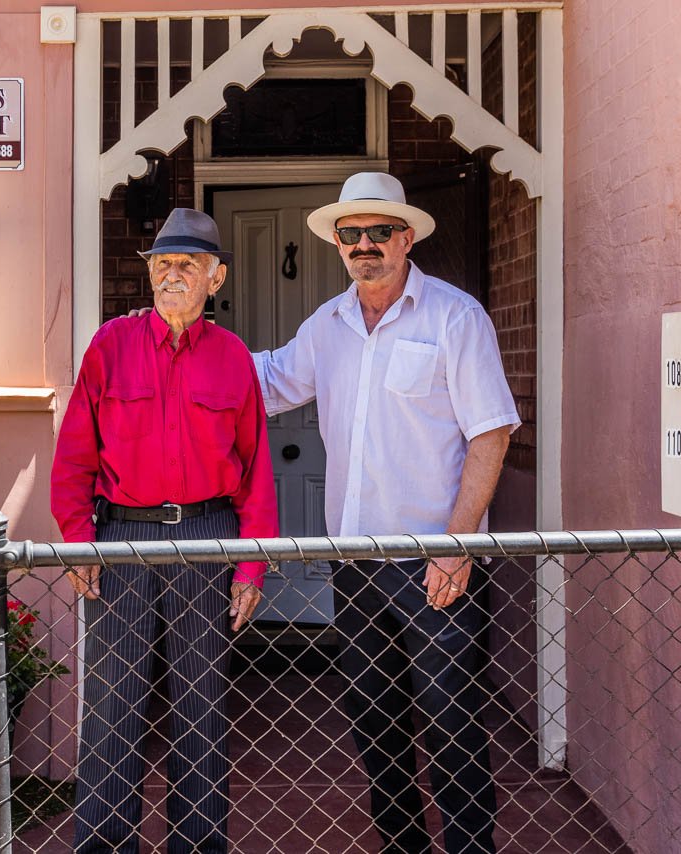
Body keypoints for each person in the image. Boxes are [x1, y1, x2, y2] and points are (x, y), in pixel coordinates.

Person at [254, 172, 519, 854]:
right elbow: (269, 379)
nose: (365, 245)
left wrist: (456, 546)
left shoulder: (454, 318)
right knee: (376, 724)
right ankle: (404, 846)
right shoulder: (329, 325)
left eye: (379, 232)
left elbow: (490, 434)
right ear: (338, 243)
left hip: (435, 564)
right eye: (352, 234)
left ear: (405, 238)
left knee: (451, 719)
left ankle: (469, 847)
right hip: (356, 566)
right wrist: (184, 340)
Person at [50, 208, 279, 854]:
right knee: (113, 711)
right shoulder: (109, 347)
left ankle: (198, 844)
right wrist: (77, 539)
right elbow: (74, 459)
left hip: (208, 537)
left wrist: (251, 564)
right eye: (161, 266)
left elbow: (257, 467)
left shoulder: (233, 359)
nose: (171, 277)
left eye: (185, 266)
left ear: (216, 277)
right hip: (122, 540)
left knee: (201, 712)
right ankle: (104, 845)